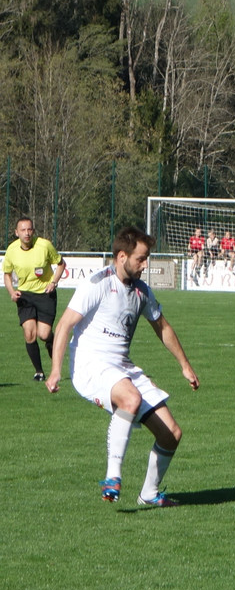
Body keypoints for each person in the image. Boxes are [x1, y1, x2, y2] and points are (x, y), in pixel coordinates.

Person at [45, 226, 199, 507]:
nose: (145, 265)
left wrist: (185, 366)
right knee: (130, 398)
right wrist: (56, 370)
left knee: (171, 434)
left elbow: (162, 327)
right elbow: (64, 325)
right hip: (90, 365)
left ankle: (149, 494)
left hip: (121, 368)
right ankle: (112, 477)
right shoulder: (98, 283)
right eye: (141, 259)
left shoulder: (142, 291)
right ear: (121, 257)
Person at [3, 217, 67, 381]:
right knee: (29, 333)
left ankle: (51, 342)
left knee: (43, 335)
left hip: (45, 294)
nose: (27, 233)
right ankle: (39, 372)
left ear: (33, 231)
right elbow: (7, 274)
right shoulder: (11, 250)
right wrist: (12, 292)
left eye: (29, 229)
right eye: (23, 230)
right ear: (16, 232)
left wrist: (53, 282)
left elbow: (61, 264)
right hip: (25, 296)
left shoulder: (44, 245)